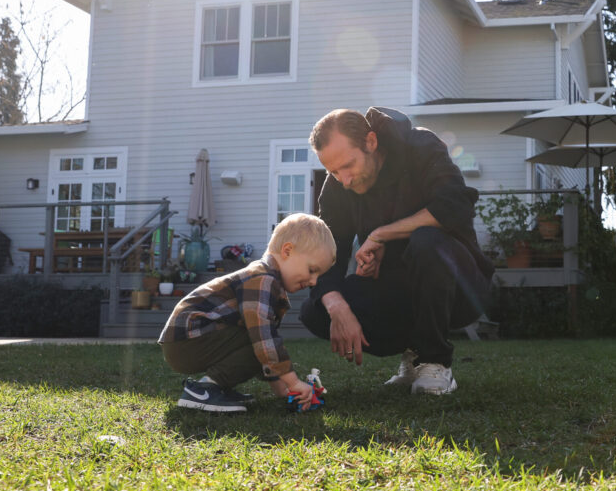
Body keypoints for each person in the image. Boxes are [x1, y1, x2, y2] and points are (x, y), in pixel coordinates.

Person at [301, 107, 494, 395]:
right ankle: (413, 356)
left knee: (427, 241)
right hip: (397, 292)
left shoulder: (420, 146)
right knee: (314, 310)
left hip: (461, 288)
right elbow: (328, 255)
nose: (345, 180)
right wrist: (337, 307)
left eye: (348, 165)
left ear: (371, 142)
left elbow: (456, 205)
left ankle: (435, 362)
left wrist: (381, 235)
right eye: (333, 171)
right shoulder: (338, 187)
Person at [158, 213, 336, 413]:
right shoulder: (262, 279)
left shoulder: (268, 281)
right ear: (287, 251)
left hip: (189, 339)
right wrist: (293, 382)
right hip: (187, 340)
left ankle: (217, 388)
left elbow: (263, 346)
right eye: (312, 270)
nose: (314, 281)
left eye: (318, 275)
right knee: (261, 340)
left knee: (261, 341)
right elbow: (263, 338)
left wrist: (282, 388)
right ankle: (204, 390)